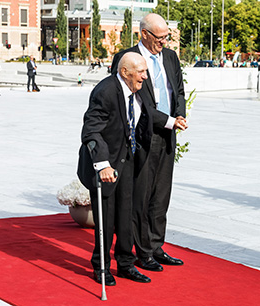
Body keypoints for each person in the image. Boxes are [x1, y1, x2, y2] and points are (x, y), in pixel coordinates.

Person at [110, 13, 188, 272]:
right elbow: (133, 103)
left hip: (168, 134)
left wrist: (180, 115)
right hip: (143, 135)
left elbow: (177, 91)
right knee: (140, 196)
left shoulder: (171, 58)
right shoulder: (127, 59)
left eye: (167, 37)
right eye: (159, 37)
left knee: (161, 194)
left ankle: (156, 245)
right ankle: (142, 252)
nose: (164, 42)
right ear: (143, 34)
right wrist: (167, 120)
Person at [77, 52, 152, 285]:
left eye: (146, 71)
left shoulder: (138, 88)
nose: (145, 77)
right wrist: (102, 165)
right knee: (106, 219)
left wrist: (171, 122)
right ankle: (101, 267)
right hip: (105, 165)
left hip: (127, 158)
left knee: (126, 215)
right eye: (141, 72)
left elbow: (147, 115)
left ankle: (126, 264)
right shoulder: (106, 91)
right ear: (124, 72)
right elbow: (91, 131)